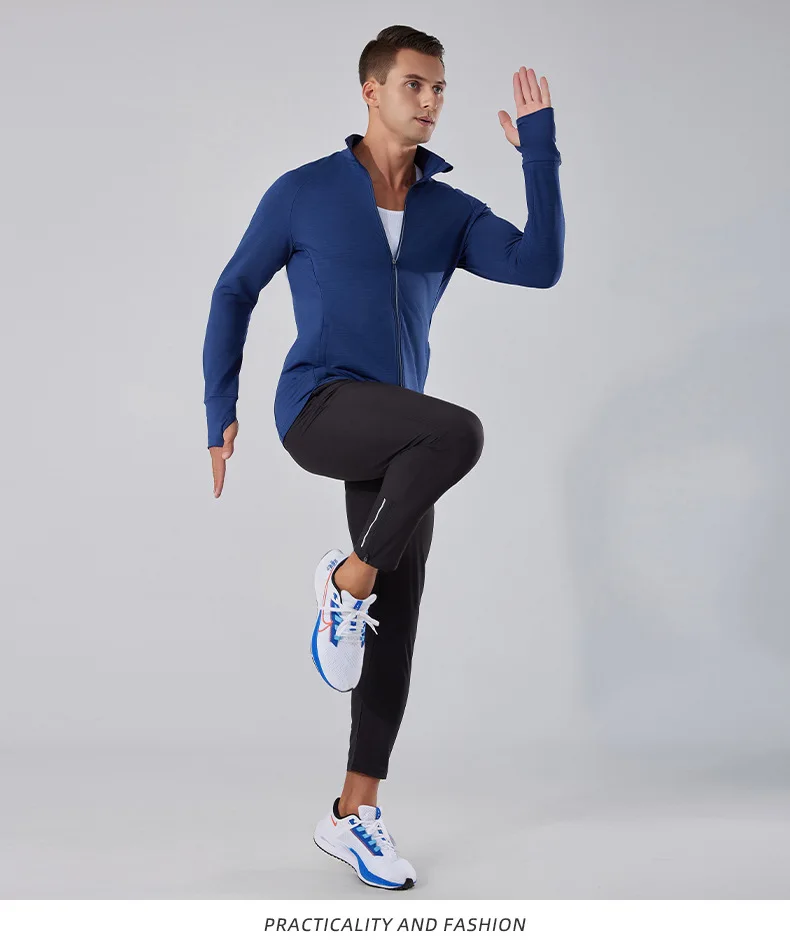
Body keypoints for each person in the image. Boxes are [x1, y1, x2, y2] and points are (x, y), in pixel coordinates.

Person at [202, 24, 564, 890]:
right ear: (372, 91)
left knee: (395, 623)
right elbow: (235, 287)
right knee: (459, 431)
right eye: (414, 85)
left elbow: (541, 266)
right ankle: (346, 581)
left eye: (439, 88)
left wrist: (539, 154)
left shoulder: (451, 212)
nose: (431, 100)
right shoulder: (305, 192)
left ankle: (352, 813)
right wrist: (221, 407)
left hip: (400, 437)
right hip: (320, 406)